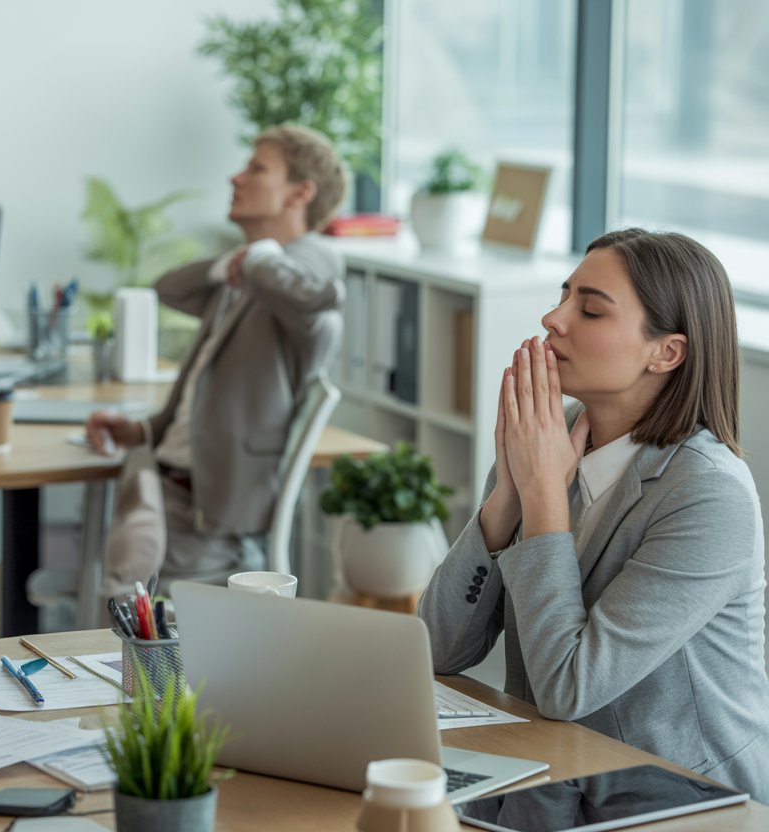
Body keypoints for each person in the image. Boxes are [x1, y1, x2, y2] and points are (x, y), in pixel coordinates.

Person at [418, 228, 769, 801]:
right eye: (563, 296)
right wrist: (507, 499)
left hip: (684, 797)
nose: (552, 319)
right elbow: (436, 649)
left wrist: (543, 497)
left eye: (590, 310)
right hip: (558, 779)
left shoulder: (709, 495)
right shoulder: (545, 437)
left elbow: (568, 688)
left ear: (666, 352)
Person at [85, 124, 346, 596]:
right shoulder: (245, 278)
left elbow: (319, 293)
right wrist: (142, 430)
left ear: (300, 194)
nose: (235, 178)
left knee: (121, 615)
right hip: (168, 493)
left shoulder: (312, 258)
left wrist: (256, 256)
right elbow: (167, 288)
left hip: (207, 515)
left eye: (256, 169)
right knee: (113, 599)